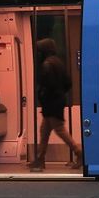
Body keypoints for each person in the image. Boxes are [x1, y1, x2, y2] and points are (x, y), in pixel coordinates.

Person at [29, 38, 82, 172]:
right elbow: (68, 83)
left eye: (40, 51)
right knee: (44, 131)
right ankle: (40, 160)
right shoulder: (59, 62)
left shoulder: (47, 64)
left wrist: (42, 95)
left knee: (59, 130)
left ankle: (79, 153)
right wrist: (60, 94)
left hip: (51, 104)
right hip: (57, 102)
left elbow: (48, 85)